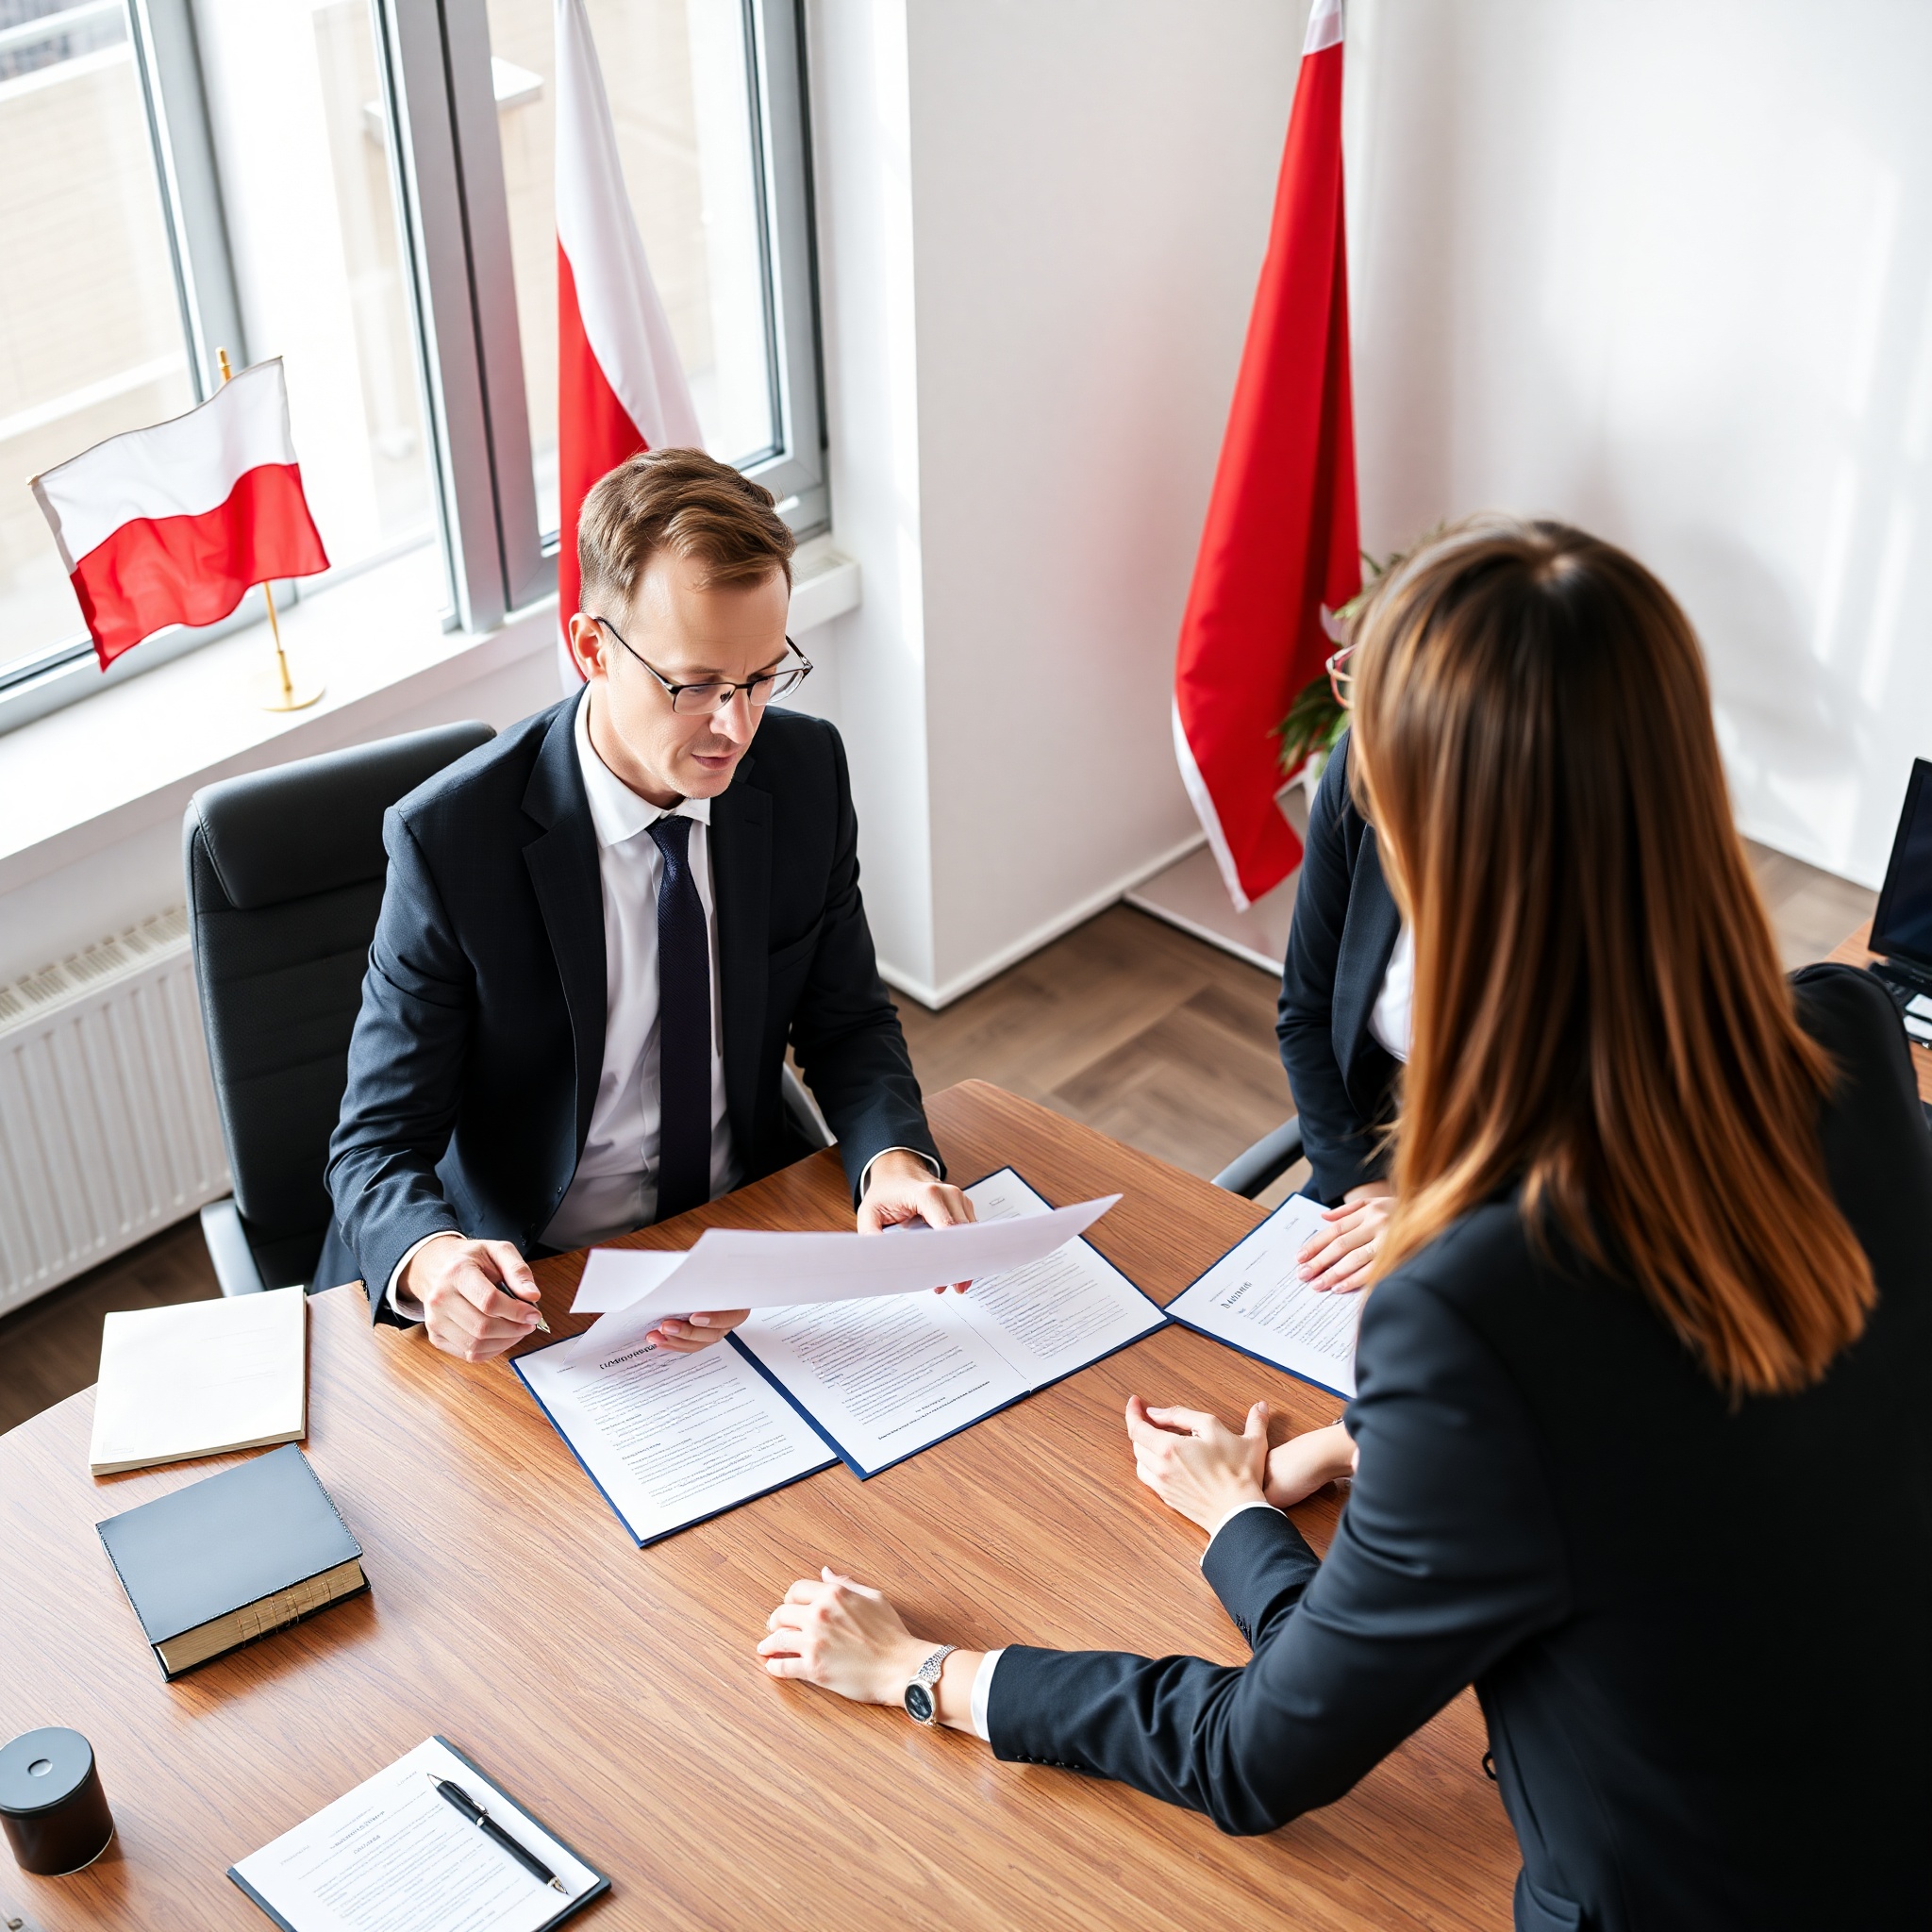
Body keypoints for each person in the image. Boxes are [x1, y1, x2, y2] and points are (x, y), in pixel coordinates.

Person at [757, 516, 1932, 1931]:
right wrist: (1356, 1447)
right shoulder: (1846, 1036)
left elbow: (1265, 1755)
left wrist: (926, 1669)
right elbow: (1668, 1399)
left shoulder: (1480, 1306)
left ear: (1441, 861)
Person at [322, 448, 971, 1359]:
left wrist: (890, 1159)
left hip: (741, 1236)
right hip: (537, 1280)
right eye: (696, 684)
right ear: (593, 649)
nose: (736, 727)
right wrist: (433, 1262)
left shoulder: (803, 772)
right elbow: (375, 1145)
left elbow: (847, 1022)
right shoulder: (450, 843)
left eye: (760, 678)